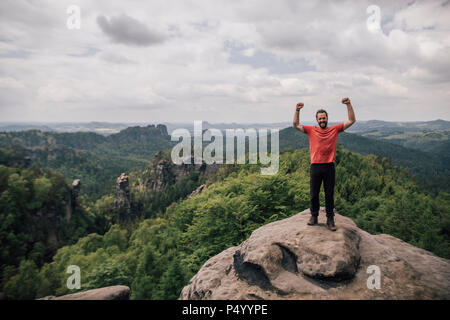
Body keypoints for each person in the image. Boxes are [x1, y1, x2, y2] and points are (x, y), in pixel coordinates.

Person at [292, 97, 356, 231]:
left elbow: (351, 120)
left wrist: (348, 105)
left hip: (329, 166)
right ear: (317, 120)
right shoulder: (311, 130)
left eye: (324, 118)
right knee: (314, 193)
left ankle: (330, 219)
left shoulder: (334, 129)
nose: (322, 120)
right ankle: (314, 216)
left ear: (327, 118)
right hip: (315, 166)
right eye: (320, 118)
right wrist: (297, 110)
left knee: (329, 194)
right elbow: (296, 125)